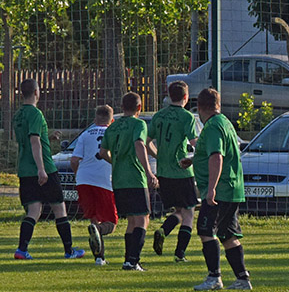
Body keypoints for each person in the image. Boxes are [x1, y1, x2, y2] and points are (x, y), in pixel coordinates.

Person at [181, 88, 250, 291]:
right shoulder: (225, 123)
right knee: (228, 234)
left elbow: (217, 156)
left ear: (200, 108)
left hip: (220, 190)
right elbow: (221, 153)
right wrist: (193, 159)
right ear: (218, 105)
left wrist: (211, 189)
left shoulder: (211, 128)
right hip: (232, 187)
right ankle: (242, 278)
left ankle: (214, 277)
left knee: (205, 230)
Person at [12, 78, 85, 260]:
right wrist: (41, 169)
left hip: (25, 169)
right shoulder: (35, 113)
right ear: (37, 92)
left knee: (34, 211)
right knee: (60, 209)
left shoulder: (18, 115)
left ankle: (21, 249)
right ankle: (69, 251)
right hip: (42, 168)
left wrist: (48, 137)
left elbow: (24, 139)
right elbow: (34, 140)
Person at [99, 92, 159, 271]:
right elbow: (140, 144)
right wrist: (149, 172)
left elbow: (103, 153)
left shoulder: (113, 127)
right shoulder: (139, 124)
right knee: (142, 219)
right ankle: (133, 260)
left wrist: (116, 162)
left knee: (132, 221)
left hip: (118, 180)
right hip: (135, 178)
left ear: (122, 107)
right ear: (139, 108)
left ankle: (128, 260)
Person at [147, 81, 199, 263]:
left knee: (179, 210)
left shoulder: (159, 116)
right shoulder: (187, 117)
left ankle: (163, 230)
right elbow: (194, 142)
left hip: (163, 171)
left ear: (169, 96)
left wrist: (159, 155)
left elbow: (146, 142)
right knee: (189, 212)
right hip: (181, 171)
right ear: (186, 97)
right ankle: (180, 253)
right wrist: (196, 157)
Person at [71, 105, 117, 266]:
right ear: (111, 120)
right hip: (104, 180)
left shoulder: (85, 134)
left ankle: (99, 258)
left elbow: (74, 160)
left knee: (94, 219)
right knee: (110, 223)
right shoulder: (112, 132)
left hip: (84, 180)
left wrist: (79, 177)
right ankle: (98, 234)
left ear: (95, 119)